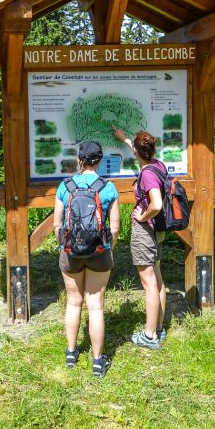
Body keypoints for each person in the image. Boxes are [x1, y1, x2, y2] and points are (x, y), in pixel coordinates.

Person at [53, 140, 120, 377]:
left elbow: (57, 224)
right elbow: (115, 227)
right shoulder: (108, 188)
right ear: (100, 160)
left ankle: (71, 353)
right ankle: (97, 360)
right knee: (95, 306)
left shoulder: (65, 186)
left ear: (80, 160)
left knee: (73, 302)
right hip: (99, 253)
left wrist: (65, 246)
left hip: (70, 252)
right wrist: (106, 246)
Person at [113, 127, 167, 350]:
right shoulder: (158, 165)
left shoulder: (146, 174)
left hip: (146, 231)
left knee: (148, 283)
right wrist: (125, 138)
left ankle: (149, 335)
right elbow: (140, 151)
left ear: (137, 151)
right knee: (157, 278)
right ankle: (159, 328)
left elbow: (156, 203)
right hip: (158, 230)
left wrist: (143, 216)